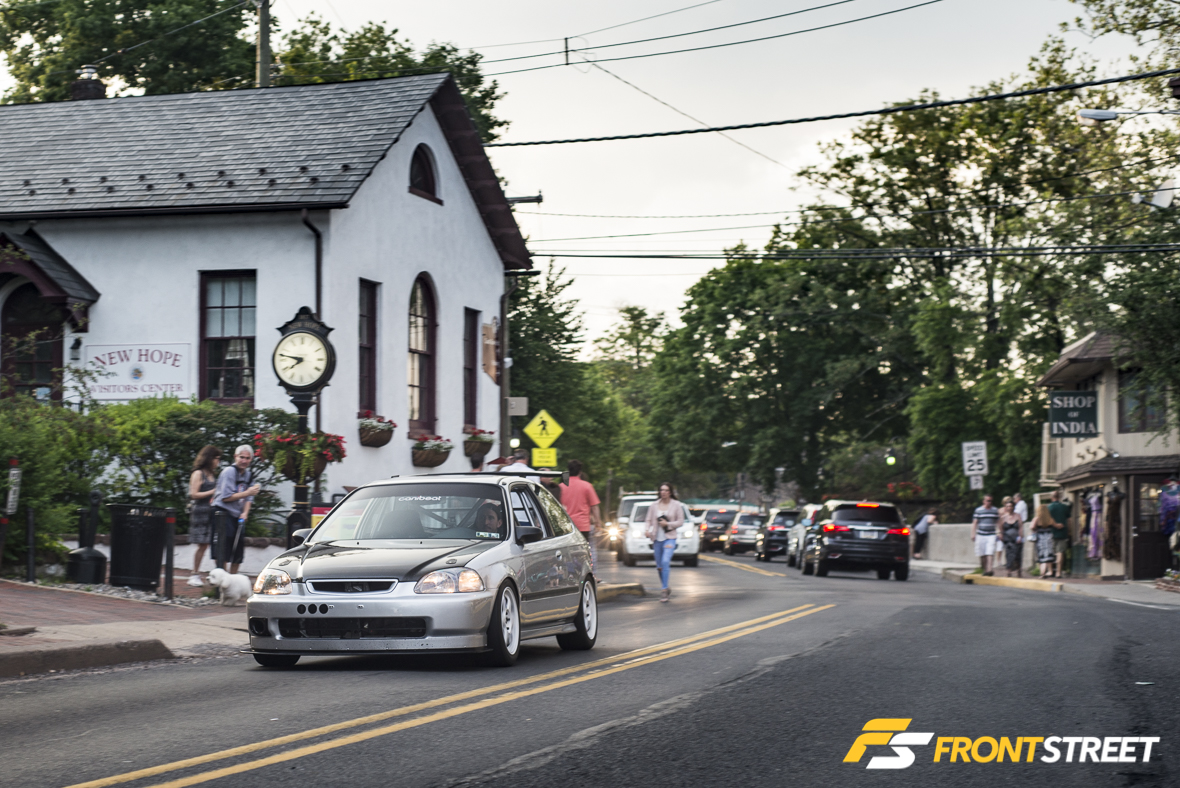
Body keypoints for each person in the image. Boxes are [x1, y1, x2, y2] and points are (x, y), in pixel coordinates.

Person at [211, 445, 261, 576]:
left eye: (247, 458)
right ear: (235, 457)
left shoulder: (249, 475)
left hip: (237, 515)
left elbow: (250, 497)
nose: (244, 461)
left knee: (238, 548)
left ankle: (232, 579)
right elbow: (226, 497)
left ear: (251, 459)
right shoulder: (229, 472)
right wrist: (247, 492)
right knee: (223, 547)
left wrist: (245, 513)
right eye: (241, 457)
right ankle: (222, 578)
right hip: (222, 512)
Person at [559, 459, 602, 576]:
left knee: (568, 552)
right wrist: (598, 523)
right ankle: (592, 574)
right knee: (588, 551)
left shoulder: (561, 487)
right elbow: (594, 507)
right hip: (583, 526)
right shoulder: (587, 486)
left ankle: (571, 575)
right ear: (580, 471)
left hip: (567, 526)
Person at [187, 445, 221, 587]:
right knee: (203, 544)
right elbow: (193, 494)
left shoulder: (211, 474)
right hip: (200, 511)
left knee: (212, 543)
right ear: (209, 458)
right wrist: (213, 491)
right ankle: (194, 573)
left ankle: (218, 573)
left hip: (211, 511)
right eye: (216, 459)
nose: (218, 462)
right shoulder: (198, 473)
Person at [644, 482, 684, 602]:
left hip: (670, 538)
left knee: (665, 561)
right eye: (661, 490)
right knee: (659, 566)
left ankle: (664, 590)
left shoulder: (676, 505)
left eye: (666, 490)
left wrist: (668, 524)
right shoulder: (654, 505)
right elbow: (648, 519)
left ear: (670, 492)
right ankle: (665, 585)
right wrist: (647, 530)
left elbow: (680, 521)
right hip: (657, 539)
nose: (663, 492)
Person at [970, 494, 1000, 576]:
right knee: (982, 553)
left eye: (990, 501)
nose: (989, 502)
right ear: (984, 501)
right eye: (987, 500)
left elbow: (998, 522)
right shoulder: (978, 510)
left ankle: (990, 569)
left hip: (991, 534)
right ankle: (985, 568)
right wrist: (973, 533)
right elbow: (975, 522)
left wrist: (999, 532)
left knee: (990, 552)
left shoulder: (995, 510)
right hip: (981, 534)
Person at [1048, 490, 1072, 578]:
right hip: (1063, 532)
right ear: (1059, 497)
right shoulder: (1065, 507)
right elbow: (1069, 520)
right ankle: (1058, 572)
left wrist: (1055, 525)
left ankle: (1050, 571)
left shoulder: (1049, 507)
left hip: (1051, 532)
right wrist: (1069, 531)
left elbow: (1047, 519)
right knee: (1060, 552)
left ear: (1051, 497)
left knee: (1050, 552)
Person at [998, 500, 1024, 578]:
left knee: (1017, 555)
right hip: (1008, 539)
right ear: (1006, 507)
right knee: (1009, 554)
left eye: (1011, 506)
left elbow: (1020, 527)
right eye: (1008, 506)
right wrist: (1001, 535)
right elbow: (1001, 528)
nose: (1009, 508)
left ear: (1013, 507)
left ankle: (1019, 570)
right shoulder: (1003, 517)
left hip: (1017, 539)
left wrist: (1020, 536)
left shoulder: (1017, 516)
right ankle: (1008, 571)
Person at [1032, 504, 1057, 577]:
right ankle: (1050, 571)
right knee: (1049, 555)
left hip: (1040, 539)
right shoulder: (1050, 519)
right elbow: (1055, 525)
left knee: (1041, 556)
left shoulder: (1037, 519)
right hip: (1049, 539)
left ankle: (1042, 572)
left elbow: (1032, 527)